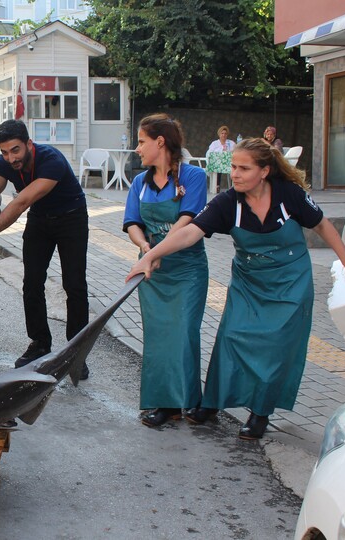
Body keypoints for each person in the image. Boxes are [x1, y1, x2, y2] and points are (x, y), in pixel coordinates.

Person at [127, 138, 345, 440]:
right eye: (233, 167)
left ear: (264, 171)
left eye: (243, 168)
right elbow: (189, 233)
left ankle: (259, 413)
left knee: (275, 349)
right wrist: (149, 256)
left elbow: (322, 225)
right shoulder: (228, 202)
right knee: (232, 337)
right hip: (248, 281)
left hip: (290, 281)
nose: (235, 174)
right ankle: (212, 403)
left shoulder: (289, 195)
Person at [0, 120, 90, 378]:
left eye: (15, 150)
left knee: (75, 285)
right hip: (40, 219)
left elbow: (21, 202)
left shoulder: (51, 161)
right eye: (4, 152)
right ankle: (39, 343)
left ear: (28, 144)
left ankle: (75, 353)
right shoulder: (3, 164)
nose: (10, 158)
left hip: (72, 218)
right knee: (32, 282)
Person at [123, 114, 209, 428]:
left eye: (142, 141)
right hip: (152, 273)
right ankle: (165, 404)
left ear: (160, 142)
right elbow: (132, 223)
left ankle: (190, 400)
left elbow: (188, 220)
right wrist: (146, 249)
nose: (137, 148)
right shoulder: (139, 183)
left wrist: (156, 251)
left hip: (187, 269)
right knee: (158, 337)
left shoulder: (194, 177)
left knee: (184, 333)